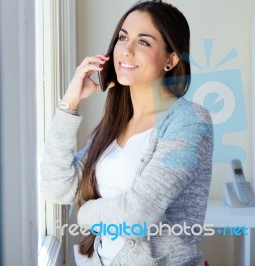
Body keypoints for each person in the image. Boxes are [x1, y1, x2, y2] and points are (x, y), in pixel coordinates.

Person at [40, 0, 213, 265]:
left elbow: (138, 215)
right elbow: (56, 188)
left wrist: (85, 214)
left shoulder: (189, 120)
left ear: (171, 59)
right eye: (123, 37)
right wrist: (69, 103)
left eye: (143, 42)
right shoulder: (115, 125)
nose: (127, 50)